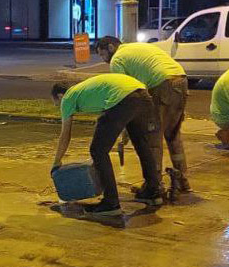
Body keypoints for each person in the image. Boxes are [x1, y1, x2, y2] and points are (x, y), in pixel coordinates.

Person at [51, 74, 164, 215]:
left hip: (123, 98)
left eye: (56, 103)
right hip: (142, 94)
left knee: (98, 151)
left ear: (60, 96)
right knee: (141, 143)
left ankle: (111, 203)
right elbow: (109, 118)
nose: (59, 107)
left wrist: (56, 161)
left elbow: (65, 135)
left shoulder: (67, 99)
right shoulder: (85, 91)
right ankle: (153, 192)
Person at [94, 36, 191, 194]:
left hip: (162, 84)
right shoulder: (135, 48)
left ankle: (155, 185)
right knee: (173, 135)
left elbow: (125, 94)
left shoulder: (117, 60)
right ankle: (182, 180)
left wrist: (123, 128)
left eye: (101, 54)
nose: (102, 59)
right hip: (181, 79)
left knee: (153, 137)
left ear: (110, 47)